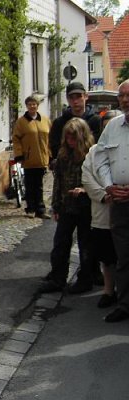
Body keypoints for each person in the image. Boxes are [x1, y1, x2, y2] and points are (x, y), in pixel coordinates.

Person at [38, 118, 95, 294]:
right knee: (60, 244)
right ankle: (58, 279)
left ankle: (85, 280)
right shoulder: (63, 155)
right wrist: (55, 206)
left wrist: (85, 190)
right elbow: (58, 182)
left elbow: (99, 181)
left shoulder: (91, 155)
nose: (70, 142)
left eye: (73, 138)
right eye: (68, 138)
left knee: (86, 245)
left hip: (86, 207)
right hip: (66, 207)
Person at [94, 79, 129, 322]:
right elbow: (100, 158)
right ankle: (125, 304)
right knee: (123, 257)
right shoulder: (113, 126)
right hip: (120, 202)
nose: (125, 99)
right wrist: (109, 185)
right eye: (122, 95)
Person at [81, 110, 121, 309]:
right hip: (103, 211)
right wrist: (105, 195)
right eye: (106, 127)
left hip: (124, 207)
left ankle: (123, 293)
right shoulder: (94, 151)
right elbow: (87, 177)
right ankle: (108, 290)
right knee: (107, 256)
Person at [12, 94, 52, 219]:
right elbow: (16, 139)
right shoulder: (21, 122)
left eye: (34, 104)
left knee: (39, 185)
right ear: (27, 106)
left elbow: (50, 138)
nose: (32, 106)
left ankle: (40, 209)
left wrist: (50, 154)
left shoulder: (45, 120)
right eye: (30, 104)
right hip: (29, 158)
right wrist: (18, 154)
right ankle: (30, 208)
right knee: (30, 185)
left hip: (42, 157)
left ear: (37, 105)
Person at [48, 81, 101, 164]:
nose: (75, 101)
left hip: (91, 165)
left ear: (86, 96)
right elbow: (54, 147)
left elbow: (99, 145)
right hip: (67, 167)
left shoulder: (96, 121)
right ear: (67, 99)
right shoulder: (59, 123)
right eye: (71, 97)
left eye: (78, 97)